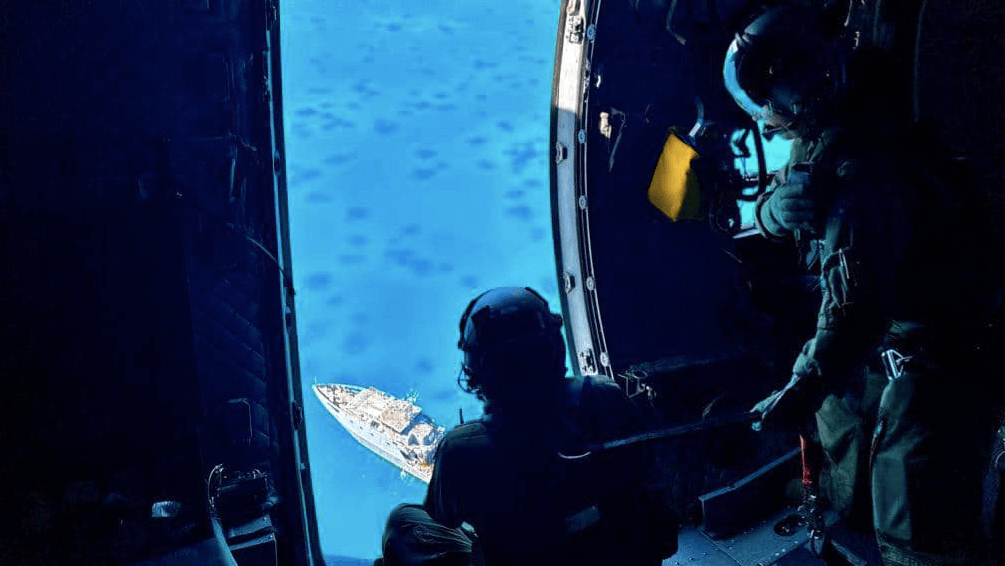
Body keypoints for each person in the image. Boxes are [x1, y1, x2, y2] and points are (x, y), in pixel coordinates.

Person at [723, 3, 1005, 565]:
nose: (767, 117)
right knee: (844, 440)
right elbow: (788, 197)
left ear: (803, 85)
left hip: (941, 356)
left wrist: (800, 390)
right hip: (902, 343)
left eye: (771, 101)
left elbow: (854, 316)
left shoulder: (861, 171)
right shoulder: (847, 129)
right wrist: (776, 209)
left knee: (917, 532)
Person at [378, 287, 677, 566]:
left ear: (478, 369)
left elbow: (445, 517)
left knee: (403, 522)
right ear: (554, 347)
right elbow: (647, 474)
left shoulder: (461, 449)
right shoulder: (604, 397)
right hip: (621, 555)